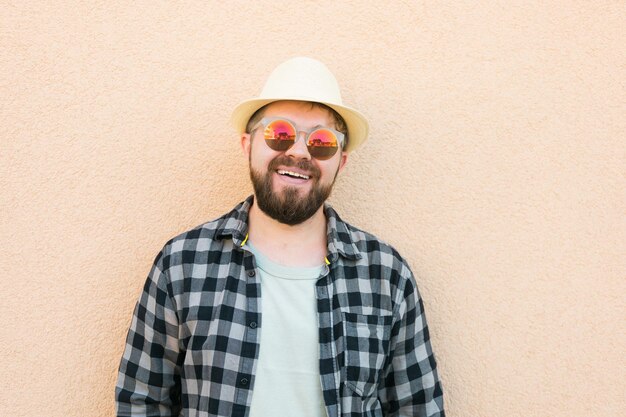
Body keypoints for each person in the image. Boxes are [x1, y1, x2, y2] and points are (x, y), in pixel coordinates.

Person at [115, 57, 445, 417]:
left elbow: (418, 407)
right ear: (247, 145)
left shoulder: (386, 275)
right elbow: (140, 399)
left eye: (321, 142)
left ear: (342, 162)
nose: (299, 152)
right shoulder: (182, 263)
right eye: (280, 134)